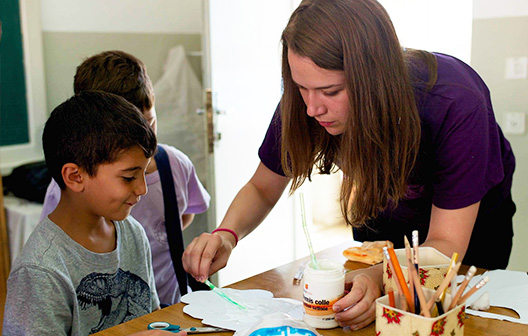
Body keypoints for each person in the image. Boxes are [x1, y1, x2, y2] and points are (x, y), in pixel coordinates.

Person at [182, 0, 515, 330]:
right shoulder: (308, 101)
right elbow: (262, 187)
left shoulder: (455, 101)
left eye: (331, 91)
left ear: (374, 79)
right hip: (385, 221)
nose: (312, 109)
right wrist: (226, 234)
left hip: (464, 235)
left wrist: (380, 276)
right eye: (300, 88)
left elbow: (445, 245)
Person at [3, 91, 184, 335]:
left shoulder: (132, 232)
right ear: (75, 177)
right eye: (129, 177)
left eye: (144, 173)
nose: (141, 188)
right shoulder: (40, 270)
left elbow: (148, 322)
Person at [39, 50, 211, 305]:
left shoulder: (176, 163)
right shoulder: (67, 189)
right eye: (130, 137)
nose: (146, 143)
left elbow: (185, 213)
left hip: (169, 303)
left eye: (150, 124)